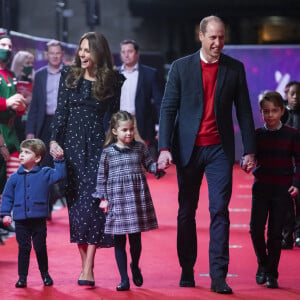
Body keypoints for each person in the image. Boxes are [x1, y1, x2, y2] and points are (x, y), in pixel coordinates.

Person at [157, 15, 256, 294]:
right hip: (188, 149)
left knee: (219, 210)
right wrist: (164, 147)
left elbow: (245, 111)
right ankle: (187, 269)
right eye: (212, 37)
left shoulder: (234, 69)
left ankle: (218, 275)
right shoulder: (180, 67)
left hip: (219, 150)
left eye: (221, 37)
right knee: (186, 212)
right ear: (200, 36)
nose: (217, 42)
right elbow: (168, 109)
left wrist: (249, 149)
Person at [49, 32, 125, 286]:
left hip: (97, 146)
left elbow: (113, 119)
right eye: (81, 49)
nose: (82, 54)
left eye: (88, 50)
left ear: (99, 53)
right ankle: (85, 266)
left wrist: (115, 148)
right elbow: (60, 112)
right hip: (70, 146)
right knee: (76, 207)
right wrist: (53, 141)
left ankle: (89, 267)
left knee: (93, 205)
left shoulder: (112, 81)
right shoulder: (68, 77)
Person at [93, 111, 163, 291]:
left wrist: (158, 168)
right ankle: (124, 278)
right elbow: (101, 177)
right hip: (117, 200)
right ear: (115, 131)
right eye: (125, 130)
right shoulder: (107, 152)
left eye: (131, 129)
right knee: (119, 241)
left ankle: (135, 265)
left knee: (135, 239)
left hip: (136, 199)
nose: (129, 133)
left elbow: (149, 165)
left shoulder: (140, 148)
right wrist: (103, 198)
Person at [249, 91, 300, 289]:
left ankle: (271, 273)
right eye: (265, 112)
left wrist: (296, 183)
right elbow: (250, 156)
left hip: (282, 189)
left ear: (281, 111)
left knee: (275, 234)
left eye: (274, 111)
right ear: (261, 113)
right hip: (261, 188)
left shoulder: (292, 135)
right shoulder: (257, 135)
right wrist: (249, 162)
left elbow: (299, 162)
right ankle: (263, 264)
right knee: (255, 230)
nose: (269, 115)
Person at [0, 138, 67, 288]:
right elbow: (7, 196)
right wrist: (5, 213)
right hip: (21, 221)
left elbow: (60, 175)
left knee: (40, 248)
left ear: (37, 158)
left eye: (27, 152)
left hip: (38, 221)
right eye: (22, 151)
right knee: (23, 248)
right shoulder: (14, 178)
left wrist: (59, 160)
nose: (22, 155)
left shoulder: (45, 173)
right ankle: (22, 278)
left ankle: (45, 274)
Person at [25, 40, 65, 219]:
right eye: (52, 53)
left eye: (58, 52)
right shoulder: (40, 75)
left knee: (66, 164)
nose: (55, 56)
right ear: (46, 55)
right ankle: (47, 206)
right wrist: (30, 131)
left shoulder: (70, 74)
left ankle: (68, 199)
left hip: (65, 124)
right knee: (44, 167)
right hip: (44, 124)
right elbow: (34, 106)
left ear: (62, 54)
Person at [118, 39, 163, 159]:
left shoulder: (150, 74)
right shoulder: (114, 74)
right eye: (123, 52)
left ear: (137, 53)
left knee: (140, 162)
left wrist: (160, 126)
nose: (126, 55)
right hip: (118, 120)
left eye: (130, 51)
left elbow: (159, 102)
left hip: (140, 122)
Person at [0, 35, 26, 197]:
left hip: (11, 132)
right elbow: (8, 102)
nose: (7, 49)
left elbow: (17, 108)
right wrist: (7, 103)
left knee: (14, 178)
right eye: (3, 45)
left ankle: (5, 215)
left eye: (10, 47)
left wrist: (21, 108)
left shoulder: (10, 75)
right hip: (1, 133)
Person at [281, 81, 300, 249]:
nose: (295, 97)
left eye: (298, 94)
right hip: (284, 165)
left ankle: (299, 235)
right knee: (285, 202)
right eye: (292, 94)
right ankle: (287, 236)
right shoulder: (281, 113)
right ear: (286, 95)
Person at [10, 50, 35, 142]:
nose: (30, 66)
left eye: (31, 63)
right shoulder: (10, 81)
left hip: (29, 124)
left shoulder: (33, 81)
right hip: (14, 124)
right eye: (27, 63)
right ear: (19, 65)